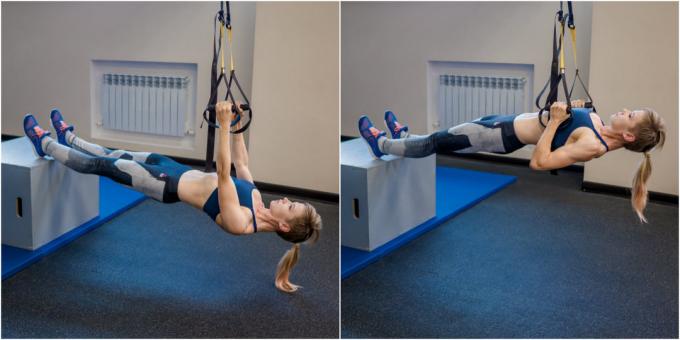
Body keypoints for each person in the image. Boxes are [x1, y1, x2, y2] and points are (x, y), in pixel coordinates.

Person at [23, 101, 321, 292]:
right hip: (174, 168)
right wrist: (239, 124)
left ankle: (44, 143)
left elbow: (222, 173)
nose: (285, 200)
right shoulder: (256, 198)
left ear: (284, 226)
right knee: (117, 154)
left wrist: (225, 125)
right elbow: (240, 164)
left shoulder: (241, 222)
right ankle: (68, 138)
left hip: (165, 185)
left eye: (290, 206)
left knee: (102, 166)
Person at [358, 100, 666, 223]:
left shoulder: (593, 146)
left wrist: (557, 122)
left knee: (437, 142)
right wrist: (571, 109)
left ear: (628, 136)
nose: (625, 110)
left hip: (501, 136)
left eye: (630, 115)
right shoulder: (598, 126)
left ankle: (381, 144)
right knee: (444, 136)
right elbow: (566, 124)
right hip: (504, 122)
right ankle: (403, 137)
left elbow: (540, 162)